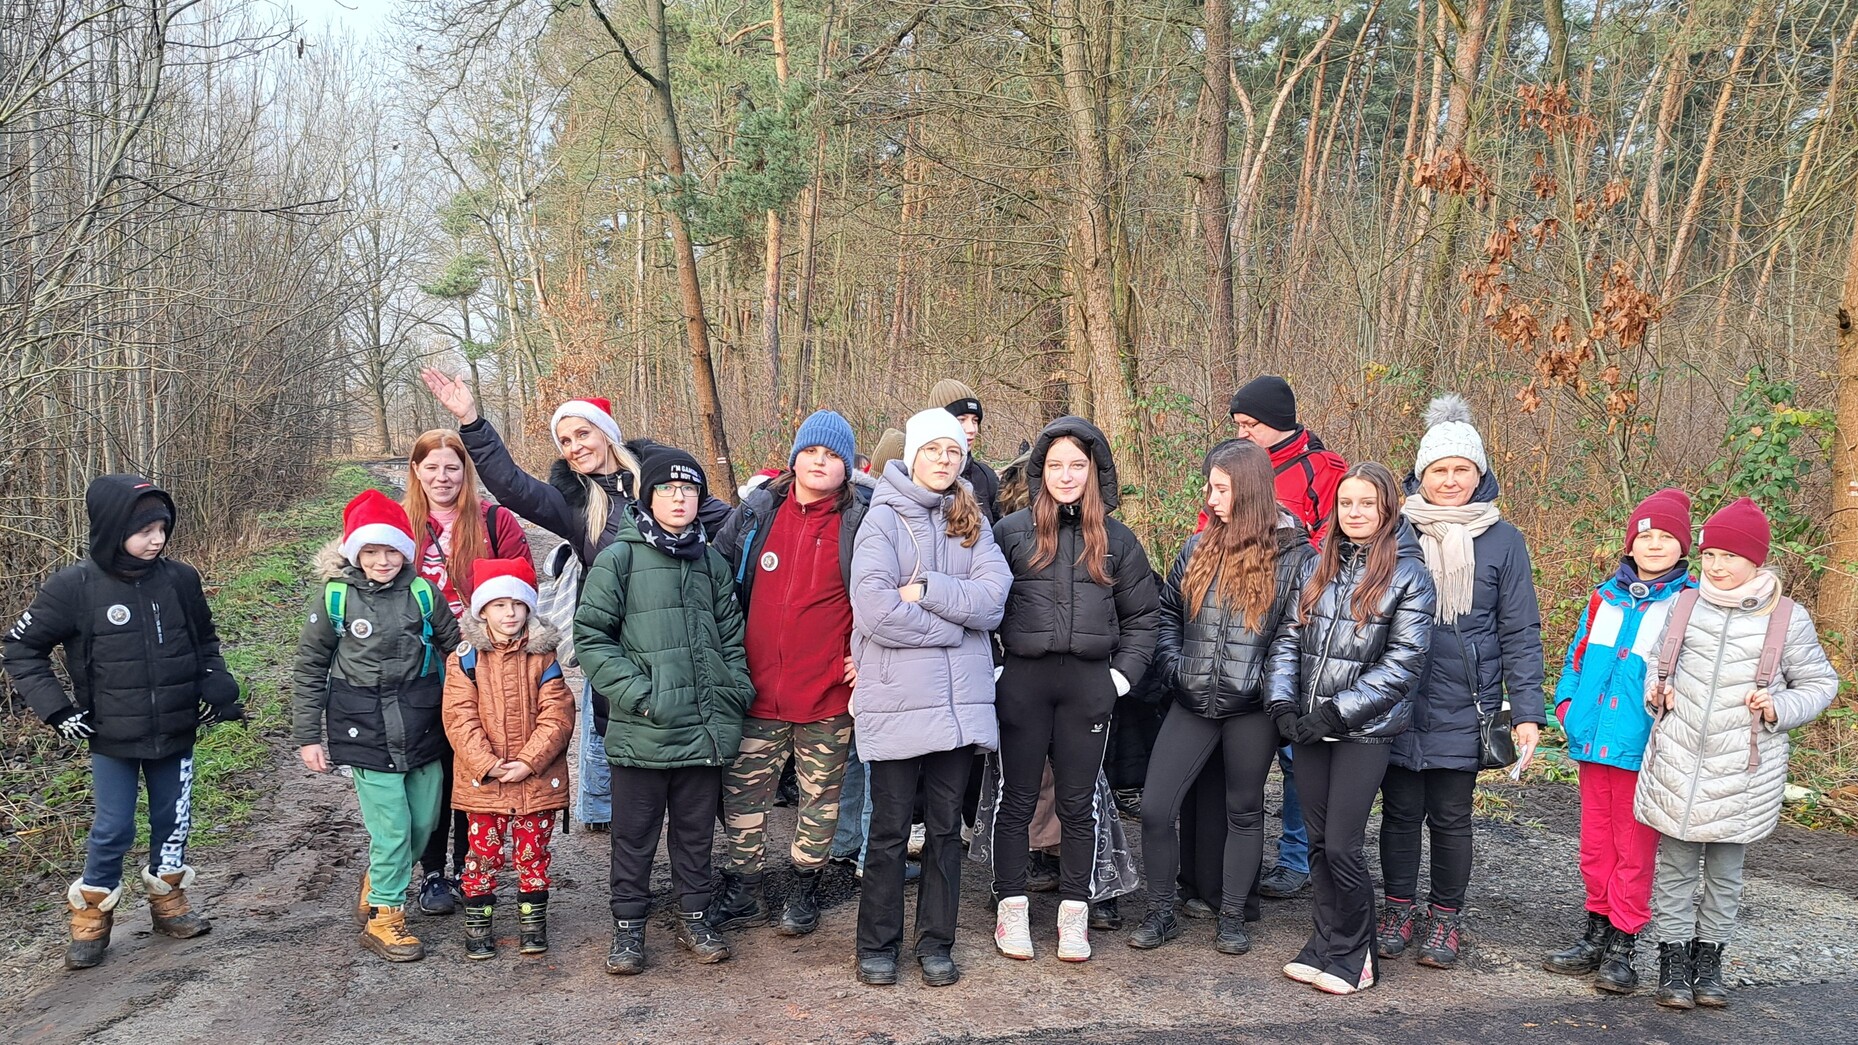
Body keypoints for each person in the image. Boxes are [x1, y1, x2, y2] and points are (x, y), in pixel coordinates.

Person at [420, 369, 728, 830]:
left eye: (582, 434)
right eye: (565, 441)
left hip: (680, 631)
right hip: (617, 639)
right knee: (613, 726)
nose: (575, 446)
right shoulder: (576, 504)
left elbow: (729, 525)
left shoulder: (660, 481)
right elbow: (512, 485)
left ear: (606, 433)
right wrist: (471, 422)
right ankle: (606, 814)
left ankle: (697, 822)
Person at [4, 475, 244, 970]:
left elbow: (204, 640)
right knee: (113, 827)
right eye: (145, 530)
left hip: (175, 729)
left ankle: (168, 900)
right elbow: (21, 649)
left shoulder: (180, 579)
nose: (157, 539)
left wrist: (215, 683)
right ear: (114, 530)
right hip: (110, 735)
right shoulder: (74, 587)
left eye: (163, 528)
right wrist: (59, 711)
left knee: (173, 820)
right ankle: (91, 915)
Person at [1635, 498, 1836, 1010]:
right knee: (1676, 869)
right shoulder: (1685, 605)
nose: (1717, 566)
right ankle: (1673, 960)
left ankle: (1710, 960)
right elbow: (1657, 663)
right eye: (1710, 556)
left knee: (1724, 874)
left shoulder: (1787, 618)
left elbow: (1819, 683)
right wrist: (1657, 689)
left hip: (1743, 771)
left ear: (1756, 559)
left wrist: (1779, 707)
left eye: (1730, 556)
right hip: (1679, 760)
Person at [1379, 394, 1545, 969]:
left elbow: (1520, 629)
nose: (1450, 481)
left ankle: (1445, 918)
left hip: (1466, 704)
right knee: (1399, 813)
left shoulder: (1504, 541)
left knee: (1451, 817)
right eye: (1439, 470)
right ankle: (1397, 910)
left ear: (1480, 475)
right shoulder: (1393, 531)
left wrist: (1527, 711)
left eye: (1462, 470)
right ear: (1420, 476)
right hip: (1398, 698)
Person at [574, 445, 754, 975]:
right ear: (647, 496)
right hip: (643, 730)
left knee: (696, 833)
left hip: (704, 727)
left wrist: (734, 689)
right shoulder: (619, 559)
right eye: (669, 489)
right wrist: (639, 695)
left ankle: (695, 917)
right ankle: (628, 928)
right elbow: (591, 637)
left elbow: (732, 637)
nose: (679, 498)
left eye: (689, 489)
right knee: (634, 836)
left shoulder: (710, 562)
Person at [849, 408, 1011, 988]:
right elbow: (875, 609)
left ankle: (936, 943)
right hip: (896, 701)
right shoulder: (882, 520)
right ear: (912, 454)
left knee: (944, 831)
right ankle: (878, 944)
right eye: (933, 450)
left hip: (959, 706)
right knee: (890, 830)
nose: (943, 460)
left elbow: (993, 601)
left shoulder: (971, 519)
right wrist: (954, 629)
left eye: (952, 452)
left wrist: (929, 589)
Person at [1132, 440, 1314, 955]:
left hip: (1251, 709)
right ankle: (1161, 911)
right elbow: (1168, 613)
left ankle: (1232, 917)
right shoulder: (1197, 547)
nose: (1210, 499)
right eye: (1209, 488)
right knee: (1155, 808)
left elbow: (1295, 636)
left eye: (1220, 489)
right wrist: (1176, 668)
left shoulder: (1297, 558)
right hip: (1191, 701)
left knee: (1245, 811)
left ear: (1249, 490)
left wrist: (1265, 689)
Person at [989, 416, 1159, 962]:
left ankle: (1074, 913)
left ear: (1095, 471)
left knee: (1078, 803)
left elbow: (1145, 618)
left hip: (1088, 684)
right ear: (1041, 471)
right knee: (1016, 799)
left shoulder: (1118, 540)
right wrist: (996, 669)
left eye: (1077, 466)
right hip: (1023, 682)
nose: (1066, 476)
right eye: (1056, 465)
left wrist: (1120, 677)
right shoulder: (1011, 533)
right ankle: (1010, 907)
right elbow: (982, 607)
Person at [1267, 462, 1436, 995]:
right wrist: (1282, 704)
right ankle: (1324, 943)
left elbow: (1404, 663)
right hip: (1309, 727)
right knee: (1318, 844)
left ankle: (1356, 955)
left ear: (1388, 508)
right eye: (1346, 503)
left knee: (1342, 845)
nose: (1355, 513)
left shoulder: (1410, 576)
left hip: (1364, 731)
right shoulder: (1317, 566)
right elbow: (1288, 637)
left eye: (1367, 503)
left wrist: (1337, 712)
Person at [709, 410, 871, 937]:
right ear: (795, 458)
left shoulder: (862, 521)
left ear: (848, 467)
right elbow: (714, 577)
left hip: (827, 692)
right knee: (742, 795)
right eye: (812, 452)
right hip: (756, 688)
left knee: (819, 798)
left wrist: (869, 654)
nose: (820, 462)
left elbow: (888, 594)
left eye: (833, 455)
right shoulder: (758, 512)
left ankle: (804, 889)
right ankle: (745, 888)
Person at [291, 489, 462, 962]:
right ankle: (385, 918)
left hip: (423, 723)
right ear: (355, 552)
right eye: (371, 551)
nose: (382, 561)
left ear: (404, 550)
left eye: (391, 551)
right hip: (362, 727)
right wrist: (308, 736)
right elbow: (310, 667)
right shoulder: (336, 598)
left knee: (424, 825)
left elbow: (456, 649)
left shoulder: (422, 593)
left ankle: (379, 879)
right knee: (392, 830)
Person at [1542, 489, 1695, 993]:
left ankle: (1624, 943)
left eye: (1667, 537)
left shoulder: (1688, 603)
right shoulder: (1603, 597)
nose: (1655, 545)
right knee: (1594, 844)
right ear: (1630, 544)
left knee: (1633, 848)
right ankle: (1596, 931)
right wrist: (1567, 708)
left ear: (1683, 546)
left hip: (1642, 744)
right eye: (1646, 536)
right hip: (1592, 740)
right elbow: (1576, 658)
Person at [1227, 375, 1348, 899]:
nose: (1242, 433)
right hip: (1241, 624)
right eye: (1238, 424)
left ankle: (1298, 857)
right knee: (1243, 749)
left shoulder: (1326, 470)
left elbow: (1335, 543)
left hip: (1302, 626)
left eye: (1250, 424)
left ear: (1277, 422)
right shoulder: (1236, 463)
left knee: (1299, 753)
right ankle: (1238, 857)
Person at [403, 429, 533, 916]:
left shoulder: (495, 521)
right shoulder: (399, 525)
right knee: (433, 768)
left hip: (482, 663)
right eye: (432, 467)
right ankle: (432, 872)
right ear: (416, 471)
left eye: (452, 468)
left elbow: (521, 587)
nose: (442, 477)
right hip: (417, 668)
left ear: (466, 472)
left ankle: (468, 866)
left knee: (477, 759)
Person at [441, 557, 575, 960]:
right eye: (499, 604)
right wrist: (487, 764)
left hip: (536, 779)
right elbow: (459, 717)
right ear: (482, 610)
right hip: (484, 781)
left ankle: (532, 925)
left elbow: (558, 714)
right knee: (482, 855)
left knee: (533, 853)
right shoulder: (464, 659)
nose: (510, 613)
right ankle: (478, 925)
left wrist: (529, 761)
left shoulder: (543, 657)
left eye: (517, 604)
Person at [926, 378, 1001, 522]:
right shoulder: (920, 477)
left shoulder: (986, 477)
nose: (972, 429)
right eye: (961, 420)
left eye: (975, 420)